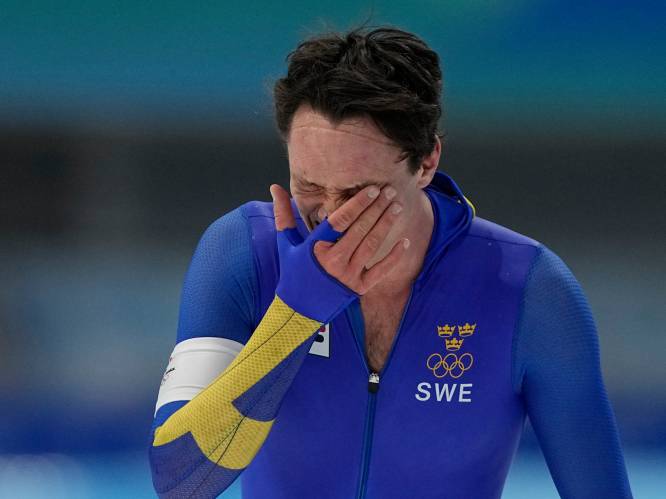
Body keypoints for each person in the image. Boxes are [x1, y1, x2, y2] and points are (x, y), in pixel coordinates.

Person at [148, 26, 633, 499]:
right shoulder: (242, 254)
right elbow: (179, 482)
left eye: (361, 194)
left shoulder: (529, 289)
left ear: (425, 163)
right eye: (309, 188)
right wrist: (294, 315)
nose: (333, 218)